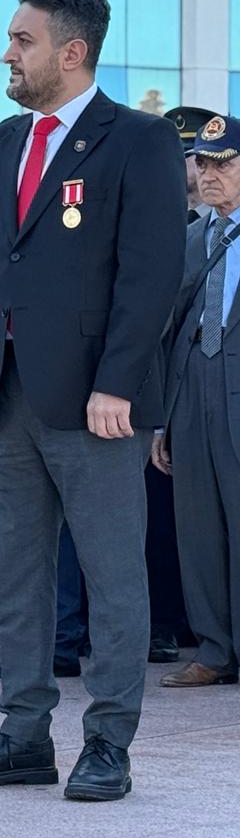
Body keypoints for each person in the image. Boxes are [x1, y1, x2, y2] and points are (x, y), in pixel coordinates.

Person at [0, 0, 185, 801]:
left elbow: (151, 274)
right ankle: (22, 732)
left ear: (71, 51)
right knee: (18, 572)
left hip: (92, 402)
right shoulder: (2, 143)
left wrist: (118, 382)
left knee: (113, 575)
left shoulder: (138, 140)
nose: (8, 53)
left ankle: (108, 739)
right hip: (3, 397)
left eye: (22, 39)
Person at [154, 114, 240, 687]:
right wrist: (159, 419)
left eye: (224, 163)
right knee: (199, 526)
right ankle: (213, 647)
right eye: (204, 163)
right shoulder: (191, 237)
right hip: (192, 393)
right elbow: (163, 330)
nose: (210, 174)